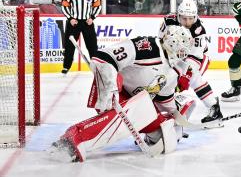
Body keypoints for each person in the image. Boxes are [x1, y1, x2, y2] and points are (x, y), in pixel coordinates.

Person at [50, 26, 197, 162]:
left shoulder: (173, 71)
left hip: (137, 103)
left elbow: (164, 101)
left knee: (163, 141)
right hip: (113, 89)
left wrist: (176, 115)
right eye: (181, 48)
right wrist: (111, 86)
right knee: (127, 112)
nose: (182, 54)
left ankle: (179, 107)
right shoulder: (146, 46)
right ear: (172, 42)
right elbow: (102, 57)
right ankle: (73, 138)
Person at [160, 0, 222, 123]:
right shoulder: (168, 20)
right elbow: (161, 40)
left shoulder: (198, 29)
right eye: (184, 18)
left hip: (197, 57)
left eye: (191, 18)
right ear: (178, 15)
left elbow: (195, 57)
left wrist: (186, 75)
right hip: (174, 55)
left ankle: (214, 106)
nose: (187, 22)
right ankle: (170, 109)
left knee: (193, 77)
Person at [60, 0, 100, 75]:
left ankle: (96, 66)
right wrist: (70, 18)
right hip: (74, 23)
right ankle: (66, 66)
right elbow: (64, 5)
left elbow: (97, 6)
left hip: (87, 23)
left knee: (92, 46)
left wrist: (92, 18)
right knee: (69, 46)